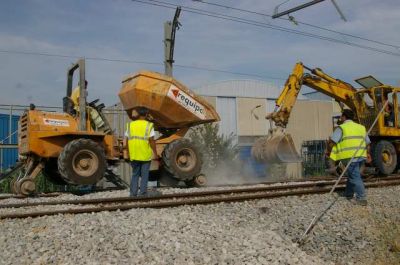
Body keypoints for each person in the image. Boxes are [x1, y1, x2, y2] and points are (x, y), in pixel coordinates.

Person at [326, 109, 371, 206]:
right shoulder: (361, 127)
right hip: (361, 155)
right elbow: (368, 142)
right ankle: (349, 193)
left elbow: (333, 142)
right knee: (352, 175)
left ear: (344, 117)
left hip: (349, 157)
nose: (340, 118)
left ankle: (362, 198)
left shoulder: (341, 128)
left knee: (355, 177)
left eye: (341, 116)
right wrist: (368, 153)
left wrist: (329, 149)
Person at [125, 107, 158, 197]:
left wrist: (127, 153)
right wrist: (155, 153)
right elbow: (151, 141)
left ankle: (133, 194)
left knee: (135, 174)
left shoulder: (130, 125)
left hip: (134, 154)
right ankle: (143, 193)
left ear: (139, 114)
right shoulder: (149, 125)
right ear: (146, 115)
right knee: (144, 174)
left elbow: (127, 141)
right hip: (145, 154)